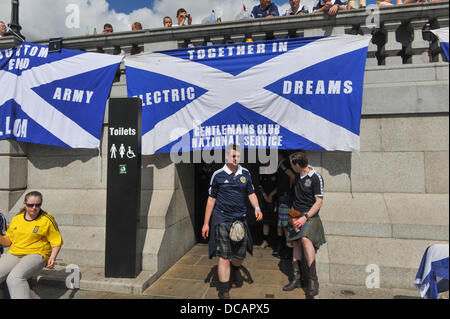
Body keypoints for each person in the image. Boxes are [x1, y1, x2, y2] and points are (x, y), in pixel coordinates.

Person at [202, 144, 263, 299]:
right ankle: (224, 291)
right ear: (227, 157)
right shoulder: (218, 175)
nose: (236, 159)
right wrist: (206, 223)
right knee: (224, 256)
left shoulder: (246, 174)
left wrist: (256, 207)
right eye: (233, 156)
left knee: (239, 256)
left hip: (240, 219)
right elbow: (211, 200)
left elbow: (251, 193)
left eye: (238, 156)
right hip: (222, 218)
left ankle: (235, 270)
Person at [0, 191, 63, 299]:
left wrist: (52, 258)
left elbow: (57, 241)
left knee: (15, 278)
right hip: (15, 253)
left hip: (37, 254)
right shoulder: (17, 218)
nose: (34, 208)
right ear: (25, 204)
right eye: (30, 205)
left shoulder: (47, 219)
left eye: (37, 205)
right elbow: (8, 241)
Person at [284, 152, 326, 298]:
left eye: (291, 164)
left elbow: (319, 201)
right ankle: (296, 279)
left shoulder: (316, 177)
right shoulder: (296, 176)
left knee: (305, 240)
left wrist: (305, 217)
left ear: (297, 165)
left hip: (309, 214)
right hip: (294, 212)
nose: (291, 167)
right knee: (295, 243)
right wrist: (292, 215)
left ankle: (313, 281)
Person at [273, 150, 296, 258]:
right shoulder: (281, 165)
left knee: (285, 224)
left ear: (280, 155)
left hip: (285, 198)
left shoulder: (284, 165)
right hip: (283, 197)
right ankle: (283, 248)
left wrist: (289, 189)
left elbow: (292, 176)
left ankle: (288, 250)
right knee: (281, 224)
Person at [258, 161, 277, 249]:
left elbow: (278, 186)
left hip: (274, 200)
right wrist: (265, 196)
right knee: (265, 221)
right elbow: (260, 186)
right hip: (265, 200)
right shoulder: (262, 172)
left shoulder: (276, 172)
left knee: (275, 222)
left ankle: (275, 242)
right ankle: (265, 241)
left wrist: (271, 195)